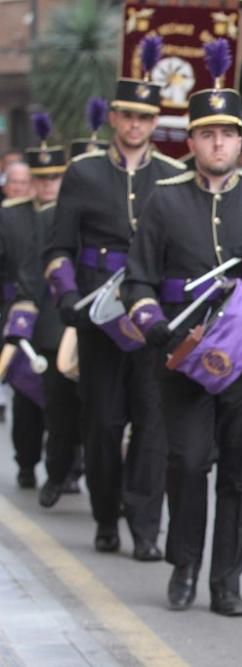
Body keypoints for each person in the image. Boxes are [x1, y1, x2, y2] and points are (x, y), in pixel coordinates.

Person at [121, 39, 242, 616]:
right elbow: (138, 279)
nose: (217, 143)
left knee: (241, 476)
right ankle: (185, 566)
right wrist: (151, 324)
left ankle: (227, 581)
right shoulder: (164, 201)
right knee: (188, 463)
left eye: (227, 133)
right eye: (206, 133)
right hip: (184, 357)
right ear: (191, 140)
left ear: (241, 141)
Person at [44, 35, 182, 559]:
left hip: (151, 317)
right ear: (114, 119)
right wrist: (66, 296)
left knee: (151, 425)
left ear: (153, 122)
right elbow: (58, 247)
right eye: (127, 116)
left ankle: (146, 527)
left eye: (145, 118)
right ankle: (106, 516)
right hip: (98, 321)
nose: (135, 126)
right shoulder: (83, 173)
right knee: (102, 424)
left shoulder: (171, 178)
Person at [2, 113, 82, 506]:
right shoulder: (11, 214)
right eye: (41, 178)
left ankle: (63, 469)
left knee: (63, 405)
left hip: (59, 320)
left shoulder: (72, 213)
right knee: (25, 402)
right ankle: (26, 462)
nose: (47, 185)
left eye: (54, 177)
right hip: (21, 317)